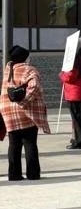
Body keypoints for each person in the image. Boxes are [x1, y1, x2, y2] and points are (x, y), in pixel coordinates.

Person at [0, 46, 50, 181]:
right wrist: (24, 101)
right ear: (24, 58)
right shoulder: (29, 69)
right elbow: (35, 87)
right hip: (26, 112)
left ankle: (14, 174)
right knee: (30, 143)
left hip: (8, 113)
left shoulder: (8, 70)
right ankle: (33, 174)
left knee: (14, 144)